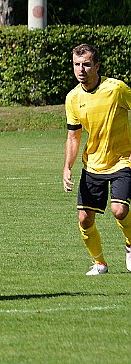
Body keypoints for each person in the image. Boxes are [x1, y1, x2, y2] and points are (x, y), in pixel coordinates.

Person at [63, 43, 131, 276]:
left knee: (119, 210)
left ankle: (130, 244)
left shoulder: (116, 89)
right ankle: (100, 263)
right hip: (93, 164)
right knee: (84, 218)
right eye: (77, 64)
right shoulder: (72, 98)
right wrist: (67, 167)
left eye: (87, 64)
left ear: (97, 66)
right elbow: (74, 135)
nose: (81, 69)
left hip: (123, 160)